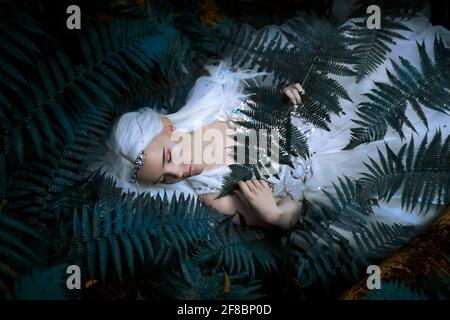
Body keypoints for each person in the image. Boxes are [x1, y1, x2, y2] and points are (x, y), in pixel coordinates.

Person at [91, 13, 450, 236]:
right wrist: (273, 215)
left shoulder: (214, 97)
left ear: (168, 127)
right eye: (164, 179)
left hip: (330, 104)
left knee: (403, 73)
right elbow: (294, 207)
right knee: (420, 148)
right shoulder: (211, 194)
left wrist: (284, 88)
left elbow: (273, 71)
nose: (178, 171)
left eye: (168, 157)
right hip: (332, 169)